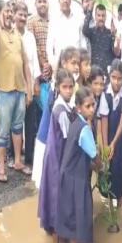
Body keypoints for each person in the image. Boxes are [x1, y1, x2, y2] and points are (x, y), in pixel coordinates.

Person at [0, 0, 33, 183]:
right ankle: (1, 166)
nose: (8, 15)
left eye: (10, 12)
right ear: (1, 13)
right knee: (3, 130)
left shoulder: (18, 35)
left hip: (19, 89)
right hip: (4, 91)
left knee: (17, 128)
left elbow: (26, 65)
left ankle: (18, 162)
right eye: (5, 11)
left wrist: (29, 89)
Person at [55, 86, 101, 243]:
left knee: (66, 214)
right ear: (79, 108)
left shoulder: (76, 123)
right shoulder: (85, 129)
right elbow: (95, 157)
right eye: (88, 106)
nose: (92, 109)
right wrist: (101, 168)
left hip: (65, 174)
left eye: (93, 105)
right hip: (76, 179)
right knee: (77, 217)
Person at [32, 47, 80, 188]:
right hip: (48, 142)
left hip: (51, 141)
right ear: (64, 63)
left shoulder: (65, 86)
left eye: (78, 63)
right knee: (48, 186)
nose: (76, 67)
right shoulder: (58, 89)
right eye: (73, 63)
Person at [38, 69, 74, 234]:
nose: (68, 90)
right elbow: (68, 139)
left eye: (70, 87)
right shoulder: (61, 111)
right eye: (65, 87)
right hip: (58, 155)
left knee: (52, 188)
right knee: (56, 189)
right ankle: (57, 226)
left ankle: (52, 225)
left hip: (53, 152)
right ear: (58, 87)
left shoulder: (64, 105)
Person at [100, 59, 122, 207]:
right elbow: (104, 120)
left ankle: (118, 200)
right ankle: (108, 200)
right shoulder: (105, 93)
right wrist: (106, 146)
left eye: (119, 78)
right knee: (108, 166)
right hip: (107, 133)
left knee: (119, 167)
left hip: (120, 137)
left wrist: (113, 143)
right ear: (109, 76)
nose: (116, 82)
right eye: (114, 78)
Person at [14, 2, 42, 167]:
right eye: (20, 14)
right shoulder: (9, 34)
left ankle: (29, 158)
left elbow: (34, 62)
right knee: (15, 123)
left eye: (25, 15)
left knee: (30, 123)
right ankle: (13, 157)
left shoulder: (30, 37)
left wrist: (36, 83)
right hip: (15, 86)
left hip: (29, 84)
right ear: (14, 15)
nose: (23, 18)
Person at [47, 0, 84, 70]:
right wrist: (52, 62)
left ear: (70, 0)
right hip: (60, 63)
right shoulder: (54, 19)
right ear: (59, 1)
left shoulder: (78, 18)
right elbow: (49, 44)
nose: (65, 0)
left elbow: (82, 41)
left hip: (76, 63)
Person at [27, 0, 52, 88]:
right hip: (38, 72)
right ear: (35, 4)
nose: (42, 4)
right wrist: (45, 64)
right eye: (40, 1)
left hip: (53, 69)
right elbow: (33, 46)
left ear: (48, 3)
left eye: (44, 1)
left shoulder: (54, 21)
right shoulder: (31, 21)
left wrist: (51, 65)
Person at [82, 3, 115, 74]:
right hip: (94, 71)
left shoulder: (110, 33)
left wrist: (113, 36)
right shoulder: (91, 31)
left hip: (107, 72)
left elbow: (115, 52)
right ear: (95, 16)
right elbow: (84, 30)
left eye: (103, 16)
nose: (101, 18)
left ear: (106, 17)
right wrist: (90, 11)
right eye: (99, 15)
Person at [89, 65, 105, 146]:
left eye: (101, 84)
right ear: (90, 83)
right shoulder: (87, 100)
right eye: (95, 83)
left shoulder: (99, 99)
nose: (99, 87)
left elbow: (99, 131)